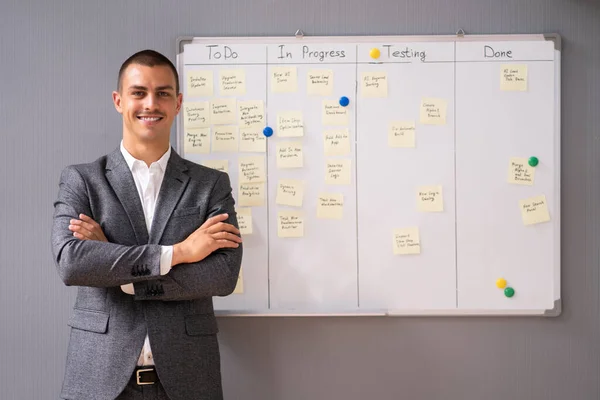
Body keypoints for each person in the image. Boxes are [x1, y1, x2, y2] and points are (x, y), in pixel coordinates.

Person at [51, 49, 243, 400]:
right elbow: (73, 262)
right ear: (119, 100)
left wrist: (119, 273)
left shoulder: (211, 185)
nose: (150, 103)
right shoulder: (82, 180)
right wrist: (181, 252)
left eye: (163, 93)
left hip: (188, 378)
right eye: (138, 92)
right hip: (99, 378)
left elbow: (222, 275)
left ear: (178, 102)